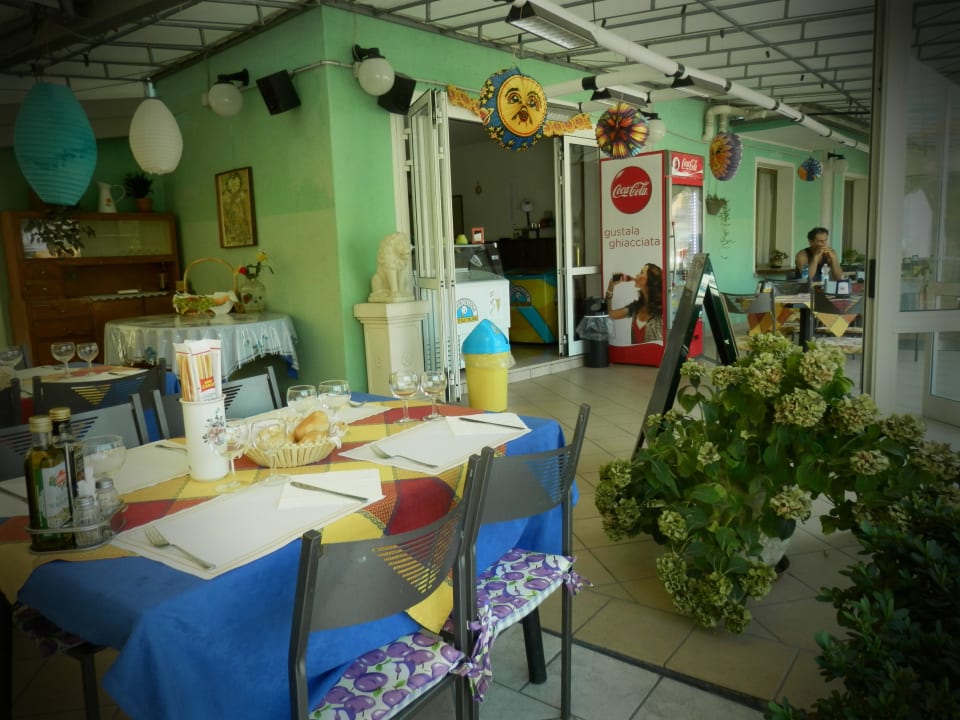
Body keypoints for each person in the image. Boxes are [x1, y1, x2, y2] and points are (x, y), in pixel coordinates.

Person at [605, 264, 664, 344]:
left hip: (656, 356)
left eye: (641, 272)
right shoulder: (636, 307)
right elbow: (610, 315)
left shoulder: (661, 310)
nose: (636, 275)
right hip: (636, 356)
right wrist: (611, 286)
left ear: (650, 280)